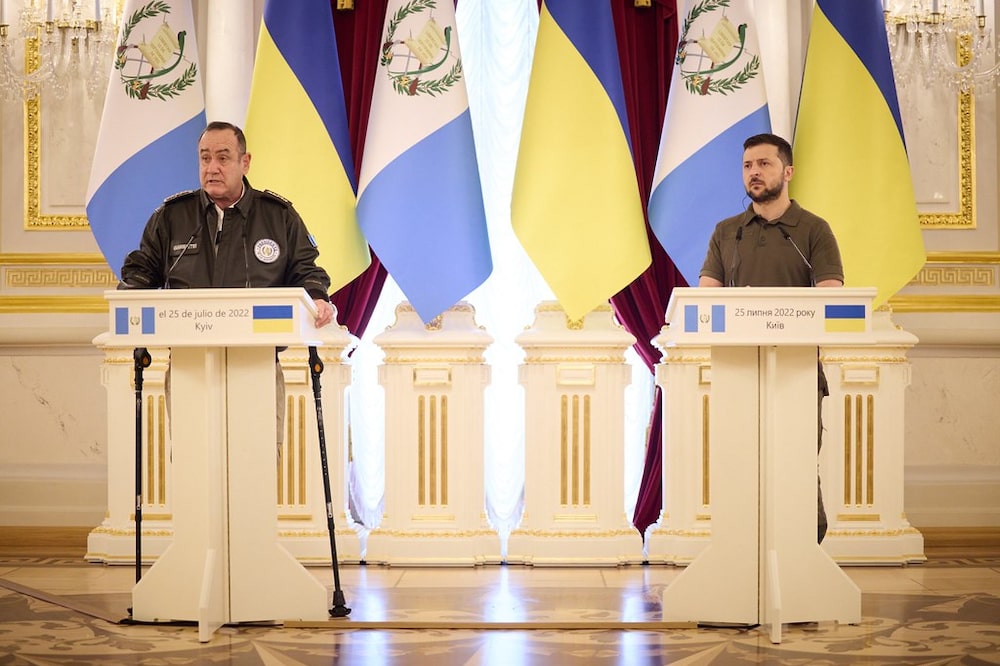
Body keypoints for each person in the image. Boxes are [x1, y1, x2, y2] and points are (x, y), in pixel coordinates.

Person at [119, 120, 336, 445]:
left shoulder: (277, 216)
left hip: (258, 363)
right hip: (189, 365)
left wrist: (317, 296)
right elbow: (142, 270)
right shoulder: (173, 216)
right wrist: (129, 299)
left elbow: (306, 270)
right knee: (192, 460)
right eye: (205, 158)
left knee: (259, 460)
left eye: (223, 158)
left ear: (244, 162)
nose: (212, 168)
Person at [698, 132, 844, 544]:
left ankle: (804, 551)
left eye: (764, 164)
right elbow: (704, 301)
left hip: (798, 373)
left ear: (788, 171)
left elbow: (831, 298)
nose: (754, 173)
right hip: (738, 371)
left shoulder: (813, 230)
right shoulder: (727, 232)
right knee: (739, 468)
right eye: (748, 166)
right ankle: (743, 552)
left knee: (797, 465)